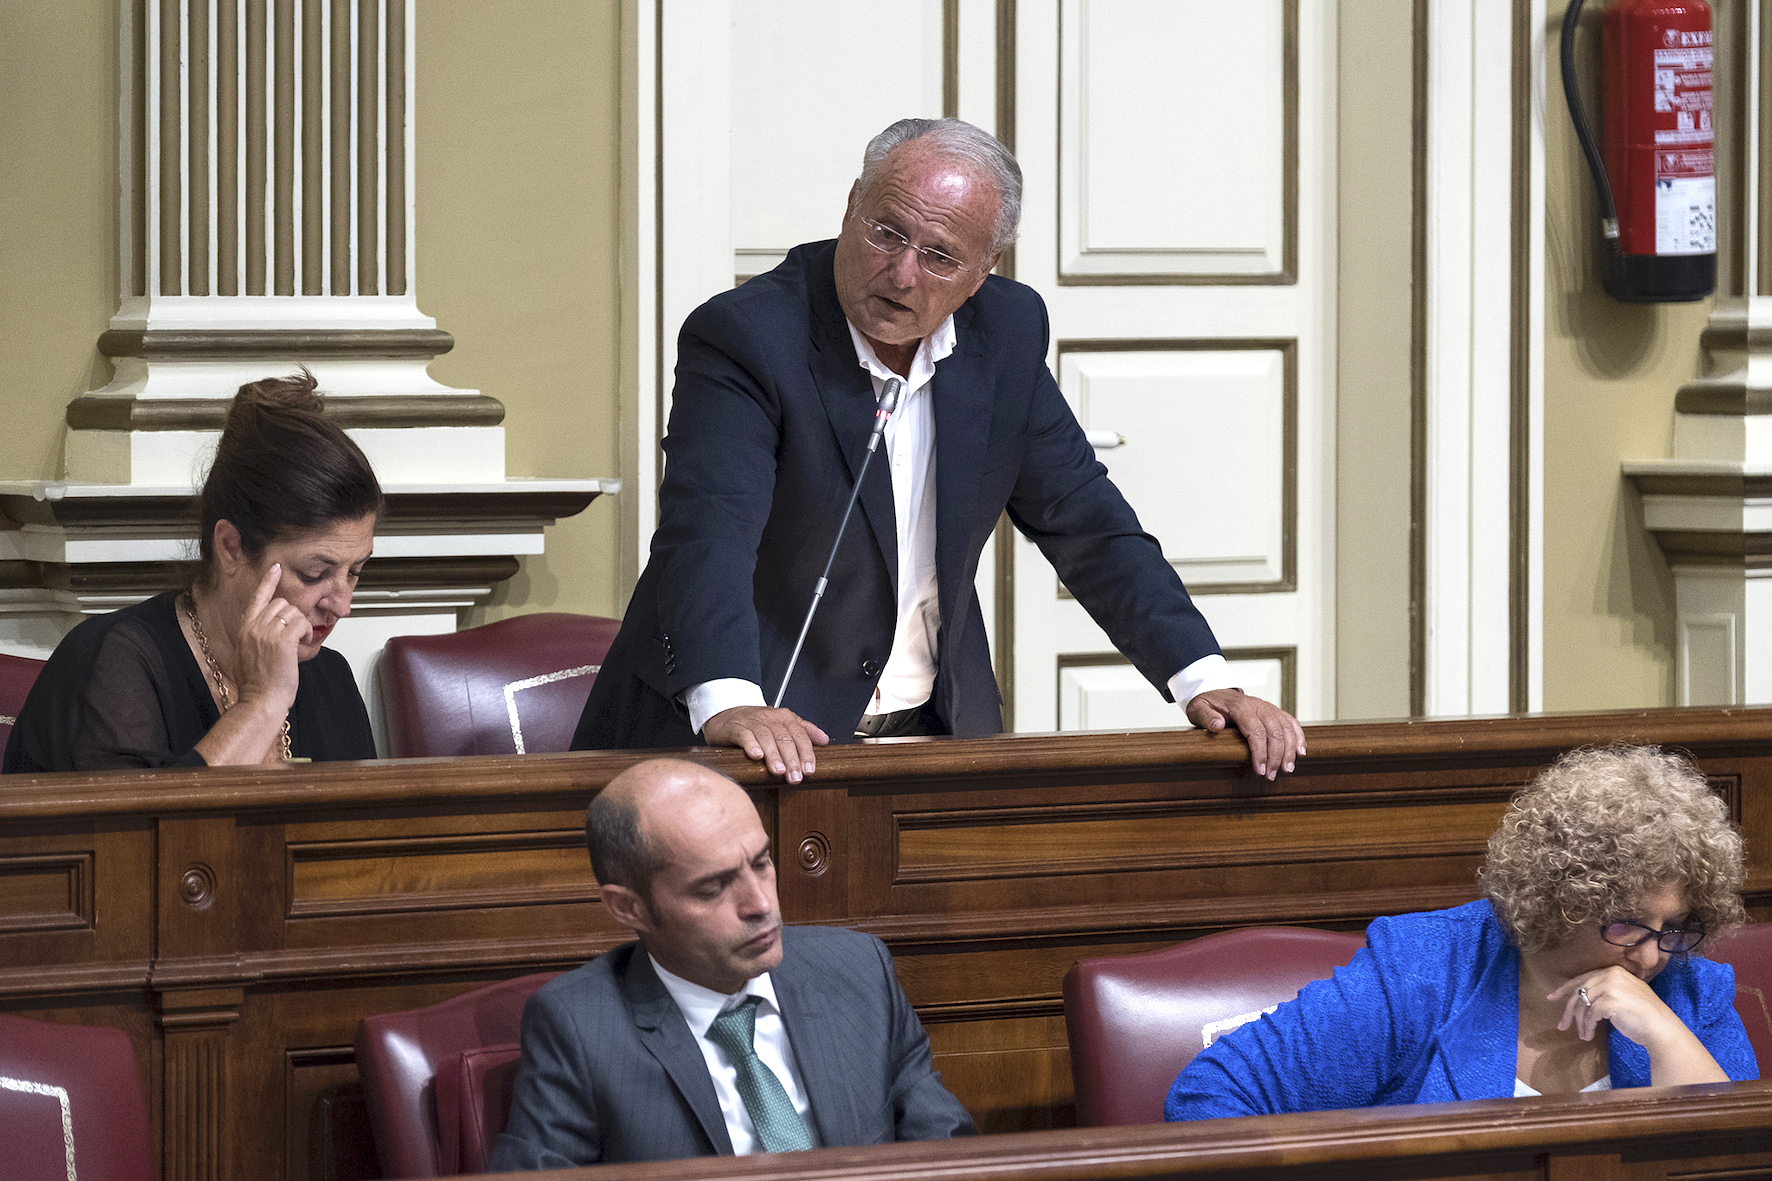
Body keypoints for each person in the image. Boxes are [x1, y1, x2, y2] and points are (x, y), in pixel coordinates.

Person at [573, 116, 1305, 785]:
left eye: (941, 257)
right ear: (851, 205)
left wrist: (1203, 678)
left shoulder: (1005, 334)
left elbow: (1086, 520)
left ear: (986, 267)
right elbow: (709, 530)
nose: (902, 274)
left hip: (935, 731)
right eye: (886, 233)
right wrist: (731, 701)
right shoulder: (748, 336)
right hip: (754, 734)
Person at [1165, 745, 1758, 1119]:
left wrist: (1663, 1034)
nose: (1653, 957)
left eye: (1674, 928)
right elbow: (1210, 1096)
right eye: (1627, 925)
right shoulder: (1422, 972)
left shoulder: (1690, 992)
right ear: (1563, 901)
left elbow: (1736, 1153)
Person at [490, 758, 974, 1168]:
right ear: (629, 908)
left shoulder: (857, 971)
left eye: (761, 863)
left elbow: (948, 1154)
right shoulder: (579, 1026)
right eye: (714, 888)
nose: (761, 904)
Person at [3, 371, 380, 772]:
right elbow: (151, 814)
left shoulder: (330, 678)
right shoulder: (110, 662)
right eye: (314, 573)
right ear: (231, 547)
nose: (342, 605)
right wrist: (262, 703)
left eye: (355, 571)